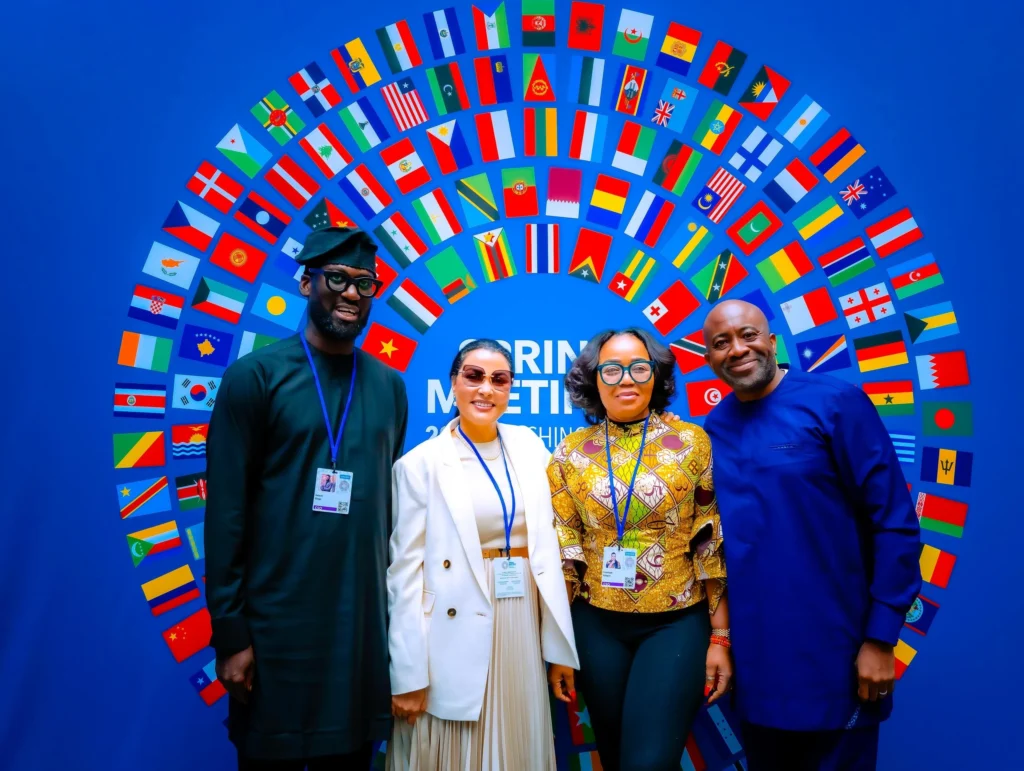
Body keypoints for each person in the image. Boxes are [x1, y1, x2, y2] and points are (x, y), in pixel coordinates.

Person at [205, 226, 409, 770]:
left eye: (364, 283)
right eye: (336, 279)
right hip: (274, 632)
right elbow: (225, 515)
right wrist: (231, 634)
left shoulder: (389, 388)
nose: (351, 293)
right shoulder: (254, 378)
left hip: (358, 634)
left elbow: (390, 519)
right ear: (306, 283)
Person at [701, 300, 921, 770]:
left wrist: (881, 638)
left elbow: (894, 523)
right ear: (709, 359)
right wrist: (722, 641)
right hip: (758, 664)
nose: (737, 349)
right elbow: (714, 546)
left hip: (839, 654)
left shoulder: (836, 402)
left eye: (748, 335)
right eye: (721, 343)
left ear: (772, 341)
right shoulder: (714, 429)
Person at [386, 339, 578, 771]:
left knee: (516, 738)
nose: (486, 389)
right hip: (450, 628)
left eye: (499, 379)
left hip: (520, 616)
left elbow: (559, 532)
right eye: (473, 376)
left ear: (510, 389)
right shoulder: (419, 465)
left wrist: (559, 648)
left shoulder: (529, 446)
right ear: (453, 383)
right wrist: (408, 673)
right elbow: (403, 576)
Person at [549, 328, 733, 771]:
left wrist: (721, 637)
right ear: (594, 379)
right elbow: (565, 551)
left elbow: (709, 543)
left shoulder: (693, 443)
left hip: (675, 623)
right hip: (595, 626)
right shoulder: (570, 453)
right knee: (615, 759)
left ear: (656, 375)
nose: (626, 379)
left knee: (647, 763)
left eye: (638, 367)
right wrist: (558, 647)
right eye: (611, 369)